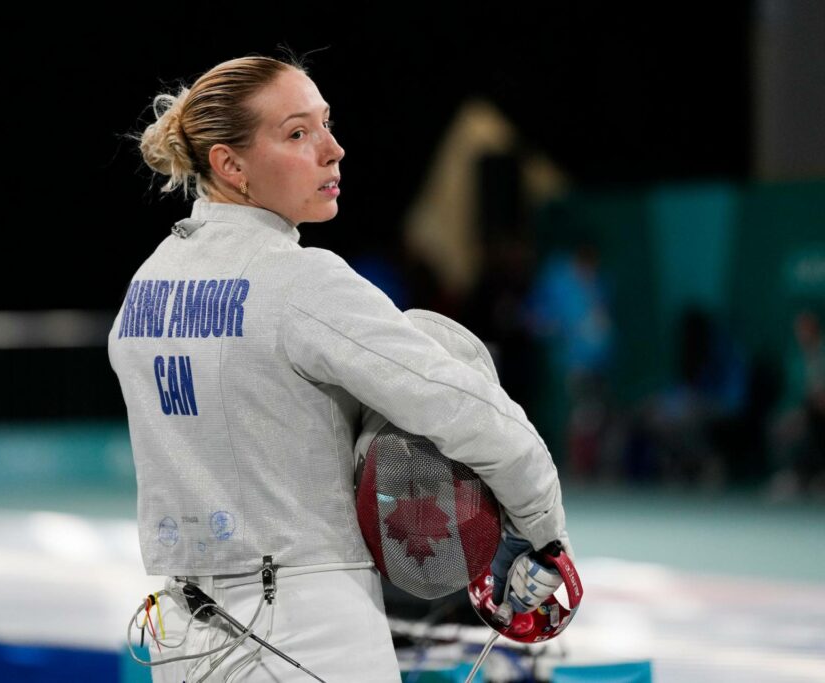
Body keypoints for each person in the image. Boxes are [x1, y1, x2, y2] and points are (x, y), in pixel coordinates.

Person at [108, 53, 572, 682]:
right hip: (310, 635)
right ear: (230, 164)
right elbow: (464, 406)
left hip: (182, 645)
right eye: (298, 133)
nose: (333, 149)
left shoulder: (147, 286)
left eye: (326, 124)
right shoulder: (299, 281)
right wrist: (543, 530)